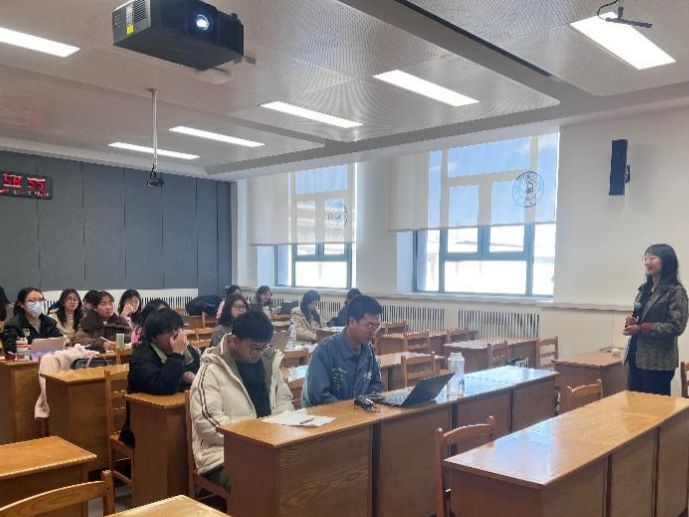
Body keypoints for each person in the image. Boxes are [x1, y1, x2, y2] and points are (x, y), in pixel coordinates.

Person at [190, 310, 293, 491]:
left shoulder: (269, 364)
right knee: (256, 482)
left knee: (302, 470)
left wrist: (278, 432)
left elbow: (284, 401)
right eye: (253, 348)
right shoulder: (211, 370)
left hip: (268, 445)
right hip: (222, 454)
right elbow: (207, 424)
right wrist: (256, 437)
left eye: (264, 347)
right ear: (235, 340)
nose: (259, 353)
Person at [119, 308, 201, 446]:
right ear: (153, 338)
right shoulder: (141, 358)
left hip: (185, 416)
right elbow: (164, 387)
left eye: (177, 328)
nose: (176, 335)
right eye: (168, 331)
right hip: (144, 424)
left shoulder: (189, 352)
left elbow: (198, 379)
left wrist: (184, 376)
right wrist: (177, 356)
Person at [623, 244, 688, 396]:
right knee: (634, 407)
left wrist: (642, 328)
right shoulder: (644, 289)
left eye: (652, 258)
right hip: (635, 357)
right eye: (645, 258)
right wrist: (632, 322)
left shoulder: (676, 291)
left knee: (655, 409)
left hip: (658, 362)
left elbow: (676, 326)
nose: (647, 262)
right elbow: (641, 317)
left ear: (667, 261)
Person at [302, 295, 384, 407]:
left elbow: (376, 385)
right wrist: (349, 410)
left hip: (357, 415)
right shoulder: (325, 350)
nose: (373, 333)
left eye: (377, 327)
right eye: (370, 326)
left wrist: (365, 404)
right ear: (352, 322)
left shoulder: (368, 350)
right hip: (325, 415)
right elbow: (318, 396)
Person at [1, 287, 62, 354]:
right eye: (32, 301)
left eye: (40, 300)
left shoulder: (50, 322)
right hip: (24, 359)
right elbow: (10, 349)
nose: (38, 304)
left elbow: (59, 343)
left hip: (48, 358)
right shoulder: (13, 325)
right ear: (21, 304)